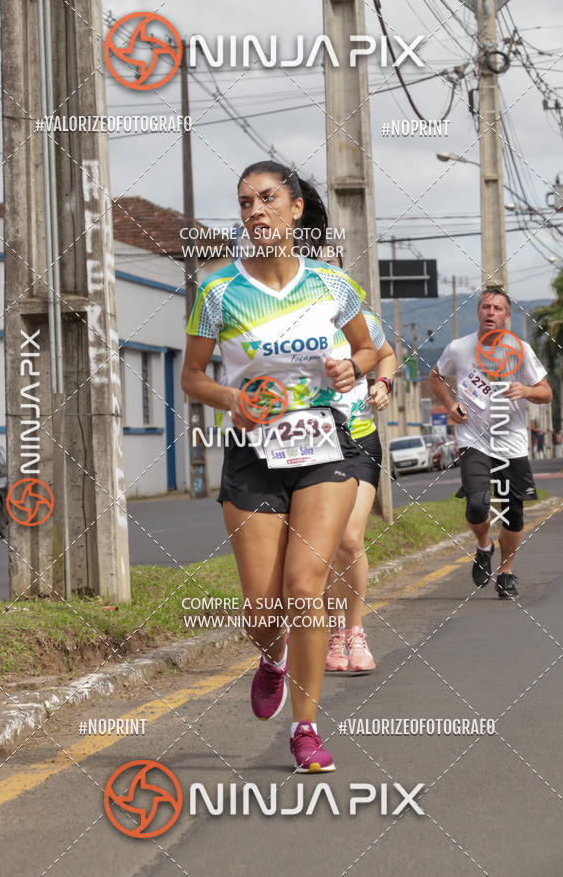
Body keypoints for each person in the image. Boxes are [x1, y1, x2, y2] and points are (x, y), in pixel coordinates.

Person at [181, 160, 378, 772]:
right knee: (264, 612)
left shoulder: (331, 284)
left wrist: (355, 366)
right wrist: (231, 399)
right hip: (254, 454)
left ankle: (306, 727)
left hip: (326, 445)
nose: (255, 211)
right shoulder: (219, 292)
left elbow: (369, 347)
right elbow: (192, 377)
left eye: (267, 199)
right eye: (245, 203)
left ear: (295, 209)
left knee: (303, 588)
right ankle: (272, 658)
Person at [430, 286, 552, 598]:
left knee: (513, 515)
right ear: (479, 312)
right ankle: (484, 546)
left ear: (507, 316)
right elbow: (435, 377)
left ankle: (506, 571)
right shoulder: (459, 348)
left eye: (498, 308)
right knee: (476, 504)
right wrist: (448, 404)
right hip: (474, 439)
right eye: (486, 307)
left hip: (511, 443)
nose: (491, 313)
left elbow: (545, 391)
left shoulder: (521, 350)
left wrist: (525, 391)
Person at [324, 314, 396, 671]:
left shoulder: (361, 319)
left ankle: (355, 632)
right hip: (318, 443)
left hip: (362, 441)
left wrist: (383, 384)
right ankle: (334, 635)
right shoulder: (289, 321)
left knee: (350, 539)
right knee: (326, 544)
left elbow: (387, 354)